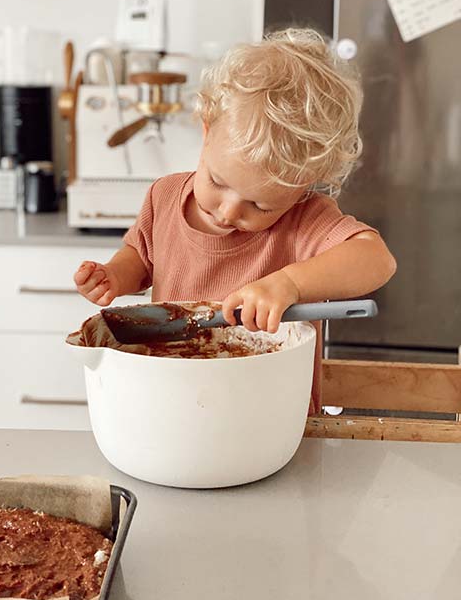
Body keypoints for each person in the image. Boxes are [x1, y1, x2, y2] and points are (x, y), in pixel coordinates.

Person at [73, 28, 396, 413]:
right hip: (175, 405)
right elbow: (141, 259)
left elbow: (377, 259)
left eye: (260, 205)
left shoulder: (302, 219)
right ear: (206, 130)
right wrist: (113, 275)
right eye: (218, 182)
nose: (228, 211)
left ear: (303, 186)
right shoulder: (164, 196)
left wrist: (289, 284)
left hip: (273, 415)